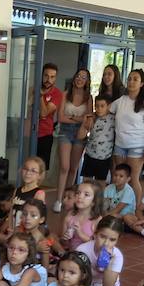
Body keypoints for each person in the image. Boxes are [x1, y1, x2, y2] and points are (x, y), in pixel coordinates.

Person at [109, 70, 144, 194]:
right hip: (120, 145)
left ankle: (136, 209)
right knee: (120, 179)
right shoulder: (120, 101)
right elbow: (105, 112)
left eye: (135, 79)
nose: (131, 82)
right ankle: (118, 207)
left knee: (133, 179)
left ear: (141, 84)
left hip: (137, 146)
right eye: (129, 78)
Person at [54, 68, 92, 209]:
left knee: (73, 168)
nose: (80, 79)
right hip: (64, 132)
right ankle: (58, 200)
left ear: (87, 81)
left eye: (84, 77)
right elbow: (61, 118)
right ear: (74, 77)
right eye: (78, 76)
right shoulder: (65, 94)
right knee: (64, 166)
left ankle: (68, 198)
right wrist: (78, 119)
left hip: (80, 133)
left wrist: (75, 118)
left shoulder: (88, 98)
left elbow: (88, 119)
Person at [75, 215, 126, 286]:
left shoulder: (117, 256)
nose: (106, 243)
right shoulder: (82, 250)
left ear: (118, 240)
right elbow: (77, 278)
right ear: (95, 234)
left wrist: (109, 264)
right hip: (85, 285)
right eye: (102, 237)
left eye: (112, 240)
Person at [77, 95, 117, 190]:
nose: (99, 109)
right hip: (90, 155)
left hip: (104, 158)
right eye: (97, 106)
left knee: (100, 184)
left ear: (108, 106)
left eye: (102, 106)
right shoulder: (92, 118)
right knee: (86, 182)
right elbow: (80, 136)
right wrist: (84, 122)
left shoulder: (113, 119)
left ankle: (99, 203)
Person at [37, 63, 64, 167]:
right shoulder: (33, 88)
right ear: (42, 75)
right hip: (30, 133)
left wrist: (39, 96)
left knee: (41, 167)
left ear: (55, 78)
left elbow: (44, 113)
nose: (49, 79)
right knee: (28, 164)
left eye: (52, 77)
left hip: (45, 134)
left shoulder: (57, 93)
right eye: (46, 76)